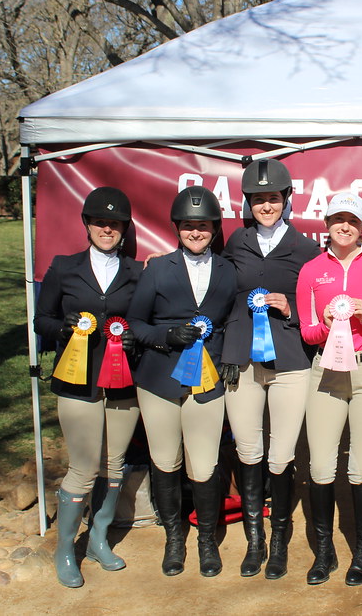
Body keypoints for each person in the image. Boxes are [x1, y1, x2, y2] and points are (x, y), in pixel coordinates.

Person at [33, 187, 142, 588]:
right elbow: (40, 320)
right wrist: (61, 328)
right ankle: (65, 549)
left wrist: (133, 339)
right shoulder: (64, 267)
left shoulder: (137, 271)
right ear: (87, 225)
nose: (107, 229)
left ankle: (97, 537)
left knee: (115, 464)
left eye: (114, 224)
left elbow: (142, 321)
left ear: (124, 228)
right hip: (77, 379)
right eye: (100, 222)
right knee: (83, 467)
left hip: (122, 381)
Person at [295, 191, 362, 586]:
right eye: (338, 219)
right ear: (326, 224)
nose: (345, 226)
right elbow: (309, 333)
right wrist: (326, 324)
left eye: (353, 220)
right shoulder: (310, 271)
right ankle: (324, 552)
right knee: (321, 466)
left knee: (361, 468)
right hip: (326, 372)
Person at [127, 186, 237, 578]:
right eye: (189, 226)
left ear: (214, 228)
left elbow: (234, 320)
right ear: (177, 228)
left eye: (203, 226)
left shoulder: (228, 269)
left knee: (205, 461)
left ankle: (206, 539)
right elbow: (136, 322)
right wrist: (164, 337)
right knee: (165, 459)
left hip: (206, 378)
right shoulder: (157, 268)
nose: (196, 232)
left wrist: (229, 356)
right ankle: (174, 538)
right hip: (159, 376)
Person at [219, 160, 321, 579]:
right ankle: (254, 540)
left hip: (290, 359)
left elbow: (322, 299)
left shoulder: (306, 248)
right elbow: (214, 289)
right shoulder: (234, 244)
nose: (266, 205)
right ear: (248, 202)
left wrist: (291, 307)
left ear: (286, 200)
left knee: (281, 453)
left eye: (273, 198)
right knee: (248, 450)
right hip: (241, 358)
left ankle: (278, 539)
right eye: (258, 199)